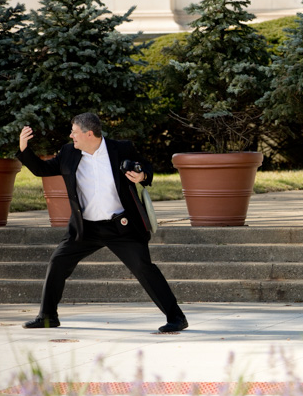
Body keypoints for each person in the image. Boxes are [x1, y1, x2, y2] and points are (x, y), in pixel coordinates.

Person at [16, 113, 189, 333]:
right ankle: (47, 316)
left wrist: (142, 176)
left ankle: (176, 317)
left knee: (144, 268)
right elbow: (43, 170)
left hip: (122, 226)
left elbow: (146, 167)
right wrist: (24, 148)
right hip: (86, 227)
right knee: (57, 263)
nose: (71, 136)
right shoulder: (69, 152)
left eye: (74, 131)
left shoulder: (121, 148)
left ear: (89, 133)